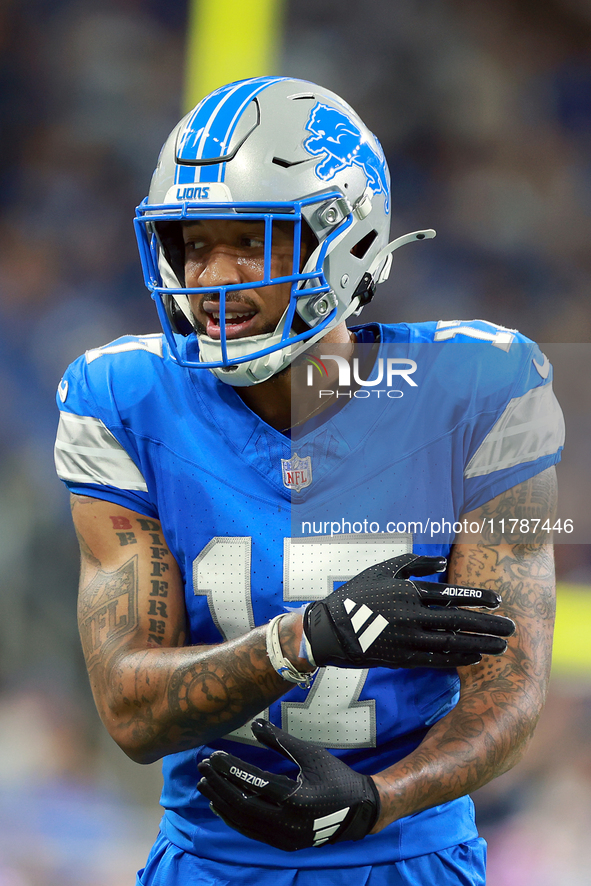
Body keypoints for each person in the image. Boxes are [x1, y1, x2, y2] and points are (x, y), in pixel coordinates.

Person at [54, 76, 564, 886]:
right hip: (209, 865)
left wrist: (374, 800)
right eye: (191, 242)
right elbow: (130, 710)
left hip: (409, 858)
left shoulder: (480, 385)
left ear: (347, 240)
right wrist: (308, 639)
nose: (211, 279)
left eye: (249, 241)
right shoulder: (122, 397)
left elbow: (506, 691)